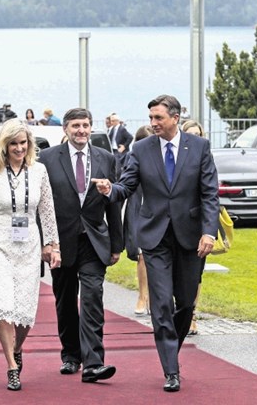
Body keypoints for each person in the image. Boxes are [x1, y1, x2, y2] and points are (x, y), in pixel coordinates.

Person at [92, 94, 219, 392]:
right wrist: (111, 189)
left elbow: (209, 193)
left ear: (175, 117)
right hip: (155, 236)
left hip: (190, 237)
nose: (153, 123)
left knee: (186, 303)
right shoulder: (142, 147)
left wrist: (208, 231)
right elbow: (128, 184)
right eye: (151, 118)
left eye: (158, 118)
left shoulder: (199, 147)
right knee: (160, 304)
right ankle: (171, 370)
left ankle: (169, 345)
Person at [0, 119, 60, 391]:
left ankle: (18, 346)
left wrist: (52, 244)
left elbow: (46, 210)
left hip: (29, 244)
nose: (19, 148)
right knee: (3, 304)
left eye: (23, 143)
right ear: (4, 145)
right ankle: (11, 365)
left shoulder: (40, 171)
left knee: (24, 307)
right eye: (13, 143)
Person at [37, 108, 123, 384]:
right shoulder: (48, 159)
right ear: (65, 129)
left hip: (94, 240)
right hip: (60, 242)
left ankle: (94, 362)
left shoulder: (106, 158)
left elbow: (114, 203)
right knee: (65, 300)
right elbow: (40, 206)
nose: (81, 131)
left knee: (92, 298)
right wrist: (45, 243)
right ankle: (71, 356)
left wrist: (117, 244)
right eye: (75, 126)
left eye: (85, 125)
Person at [123, 125, 153, 316]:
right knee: (142, 255)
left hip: (160, 211)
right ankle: (143, 296)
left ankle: (158, 297)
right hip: (139, 208)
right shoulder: (132, 158)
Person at [181, 119, 206, 335]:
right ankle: (178, 311)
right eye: (190, 134)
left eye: (199, 134)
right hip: (176, 222)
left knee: (195, 274)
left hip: (197, 224)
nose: (195, 138)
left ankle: (192, 315)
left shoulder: (205, 158)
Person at [108, 113, 134, 179]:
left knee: (118, 168)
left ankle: (119, 180)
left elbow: (130, 137)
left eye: (113, 121)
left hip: (119, 151)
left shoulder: (122, 129)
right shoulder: (112, 129)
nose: (111, 122)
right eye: (111, 121)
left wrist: (124, 146)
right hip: (113, 150)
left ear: (117, 121)